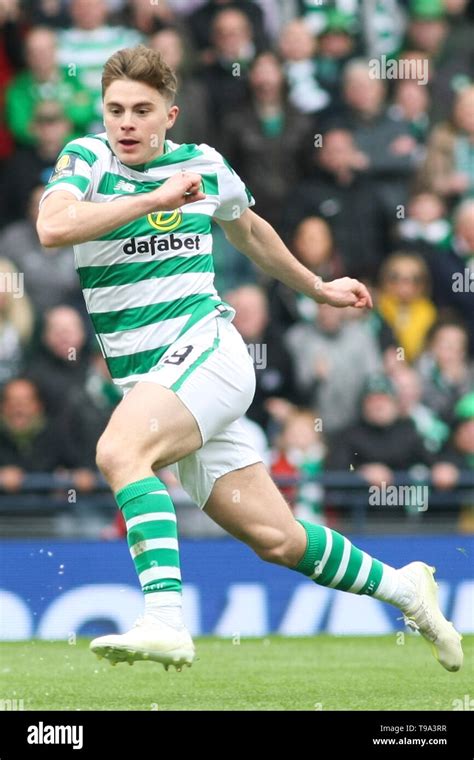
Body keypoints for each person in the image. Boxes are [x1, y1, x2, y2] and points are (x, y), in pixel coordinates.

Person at [36, 45, 463, 674]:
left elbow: (251, 229)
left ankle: (164, 620)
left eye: (141, 110)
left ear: (170, 115)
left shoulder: (204, 166)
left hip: (208, 351)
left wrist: (317, 286)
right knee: (279, 539)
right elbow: (54, 225)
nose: (125, 122)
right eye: (115, 109)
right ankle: (408, 591)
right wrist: (152, 202)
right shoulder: (87, 158)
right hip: (152, 382)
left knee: (119, 453)